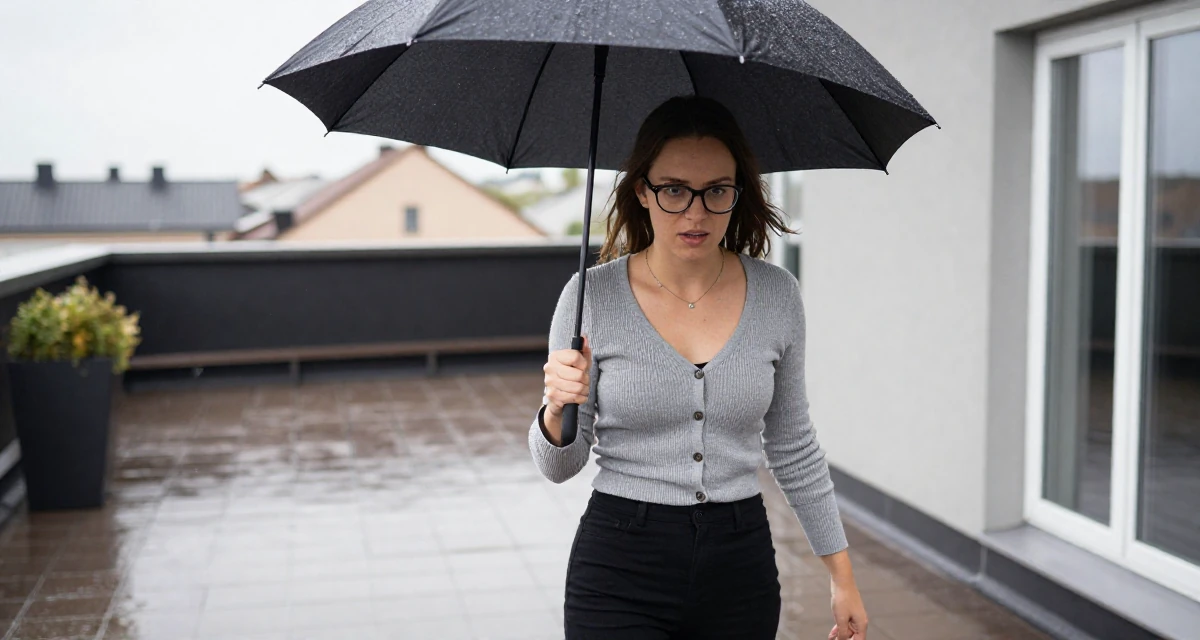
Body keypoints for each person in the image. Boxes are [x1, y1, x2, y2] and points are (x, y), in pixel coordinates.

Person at [529, 95, 868, 640]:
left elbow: (793, 444)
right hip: (620, 565)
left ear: (738, 192)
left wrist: (841, 575)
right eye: (674, 190)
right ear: (642, 191)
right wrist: (555, 410)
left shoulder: (777, 295)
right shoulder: (591, 296)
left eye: (716, 191)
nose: (695, 213)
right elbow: (559, 466)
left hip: (739, 566)